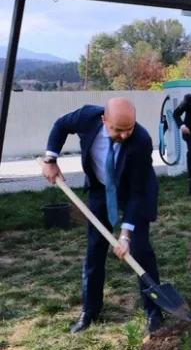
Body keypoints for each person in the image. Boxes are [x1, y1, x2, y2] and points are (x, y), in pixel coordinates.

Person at [41, 98, 164, 334]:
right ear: (103, 120)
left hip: (134, 190)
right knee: (95, 249)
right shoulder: (86, 117)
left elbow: (137, 193)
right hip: (101, 187)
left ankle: (154, 312)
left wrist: (125, 236)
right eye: (118, 130)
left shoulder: (141, 140)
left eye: (129, 129)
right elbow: (60, 125)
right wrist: (50, 160)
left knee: (140, 250)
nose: (124, 135)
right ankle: (90, 311)